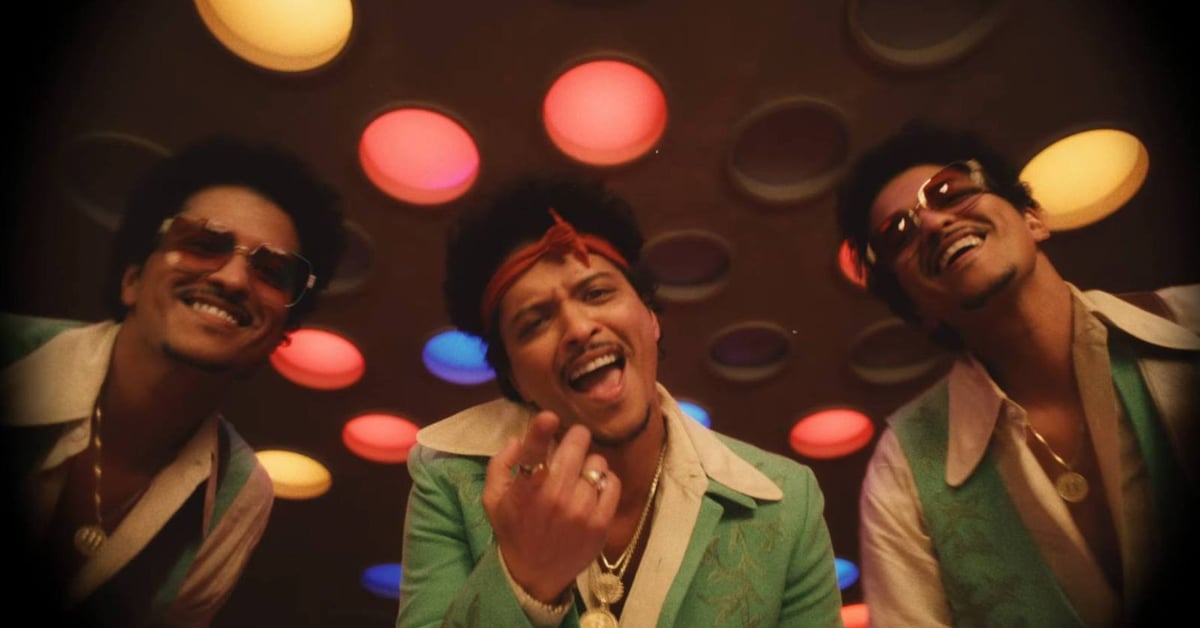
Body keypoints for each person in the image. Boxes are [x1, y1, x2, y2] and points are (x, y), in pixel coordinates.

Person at [397, 174, 844, 627]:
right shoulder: (450, 479)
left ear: (650, 317)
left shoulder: (788, 502)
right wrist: (525, 577)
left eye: (597, 293)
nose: (578, 328)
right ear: (515, 379)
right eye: (535, 323)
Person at [835, 120, 1199, 627]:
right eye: (899, 233)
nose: (933, 223)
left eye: (949, 192)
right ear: (917, 309)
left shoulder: (1190, 321)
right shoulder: (903, 472)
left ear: (1033, 218)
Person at [1, 136, 347, 627]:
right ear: (133, 279)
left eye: (272, 271)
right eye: (203, 244)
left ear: (277, 337)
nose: (233, 279)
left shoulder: (240, 493)